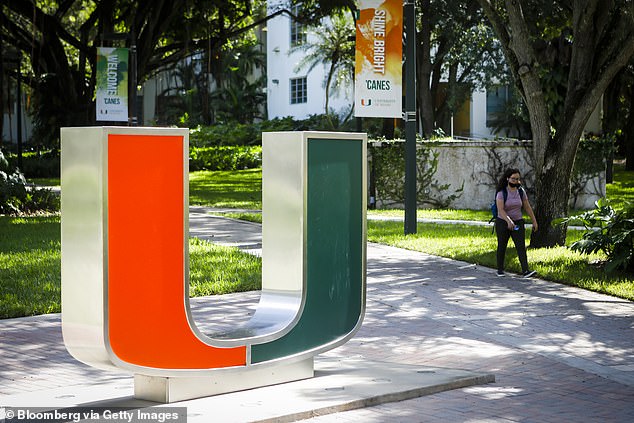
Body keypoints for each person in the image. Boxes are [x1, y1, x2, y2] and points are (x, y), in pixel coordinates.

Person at [494, 168, 538, 278]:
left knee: (520, 246)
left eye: (517, 179)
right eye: (513, 179)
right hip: (503, 222)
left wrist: (534, 221)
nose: (515, 181)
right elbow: (501, 210)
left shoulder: (520, 191)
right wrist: (508, 221)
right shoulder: (501, 193)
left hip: (518, 221)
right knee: (502, 245)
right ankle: (500, 270)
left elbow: (527, 207)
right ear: (508, 178)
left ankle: (525, 270)